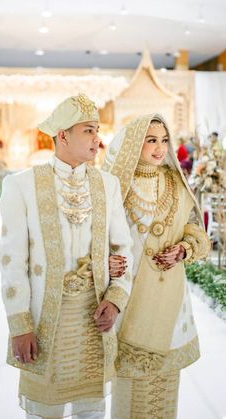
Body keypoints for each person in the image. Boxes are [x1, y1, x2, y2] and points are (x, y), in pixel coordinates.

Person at [0, 94, 133, 419]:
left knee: (92, 410)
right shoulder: (22, 186)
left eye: (97, 130)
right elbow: (11, 260)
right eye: (88, 130)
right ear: (63, 135)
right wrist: (20, 326)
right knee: (45, 410)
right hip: (46, 321)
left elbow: (122, 248)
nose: (97, 139)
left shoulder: (108, 185)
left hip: (94, 318)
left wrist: (115, 299)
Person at [102, 114, 210, 418]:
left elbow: (196, 233)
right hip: (129, 293)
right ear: (135, 143)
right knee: (130, 380)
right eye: (151, 140)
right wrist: (104, 260)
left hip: (168, 296)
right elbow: (97, 235)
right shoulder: (115, 184)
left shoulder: (175, 181)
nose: (159, 148)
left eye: (164, 140)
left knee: (164, 377)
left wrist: (183, 250)